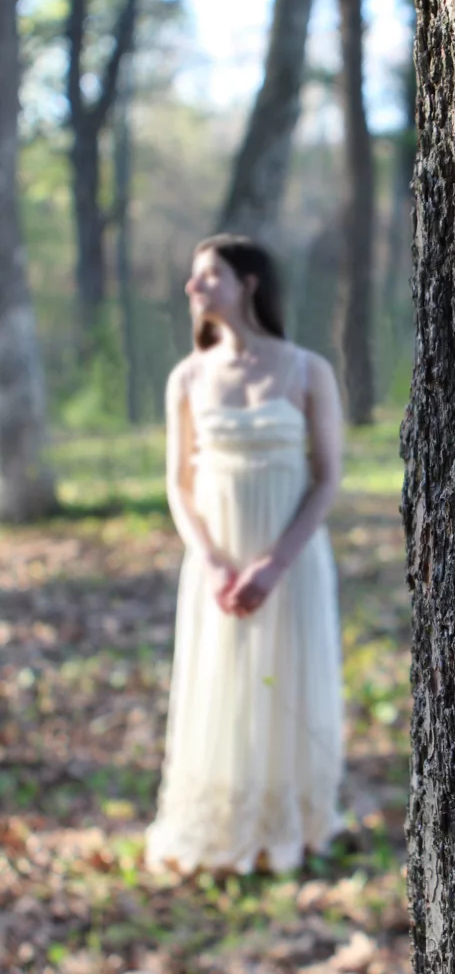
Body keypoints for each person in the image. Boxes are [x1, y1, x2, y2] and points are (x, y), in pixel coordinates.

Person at [145, 234, 345, 875]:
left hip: (290, 556)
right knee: (222, 681)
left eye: (207, 275)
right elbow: (179, 484)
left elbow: (327, 478)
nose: (192, 288)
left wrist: (275, 564)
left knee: (287, 677)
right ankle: (223, 821)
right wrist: (211, 562)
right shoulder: (187, 378)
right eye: (194, 277)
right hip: (216, 561)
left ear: (249, 283)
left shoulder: (309, 370)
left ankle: (292, 823)